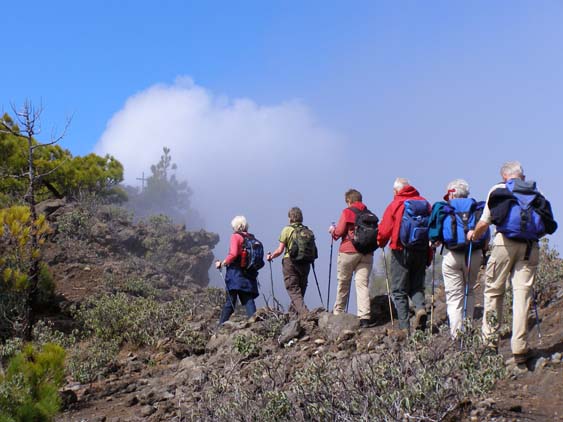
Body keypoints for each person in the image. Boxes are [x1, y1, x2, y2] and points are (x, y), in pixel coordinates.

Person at [467, 161, 557, 364]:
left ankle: (490, 344)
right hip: (530, 246)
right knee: (522, 296)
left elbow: (485, 221)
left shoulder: (498, 190)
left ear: (504, 176)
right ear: (522, 176)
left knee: (493, 292)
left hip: (504, 245)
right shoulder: (535, 191)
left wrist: (474, 234)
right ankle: (520, 348)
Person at [428, 179, 488, 338]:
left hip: (452, 255)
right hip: (473, 254)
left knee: (454, 296)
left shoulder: (445, 208)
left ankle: (457, 334)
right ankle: (468, 330)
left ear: (451, 193)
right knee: (469, 291)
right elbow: (485, 234)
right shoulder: (476, 207)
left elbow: (435, 236)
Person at [377, 178, 431, 333]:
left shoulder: (395, 204)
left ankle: (404, 328)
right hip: (421, 250)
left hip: (401, 250)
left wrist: (380, 242)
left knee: (399, 290)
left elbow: (385, 230)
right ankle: (420, 308)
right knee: (416, 286)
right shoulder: (424, 203)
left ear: (396, 191)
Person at [329, 189, 376, 328]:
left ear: (349, 201)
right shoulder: (370, 214)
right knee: (362, 284)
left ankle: (338, 313)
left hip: (349, 251)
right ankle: (365, 317)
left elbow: (338, 233)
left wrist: (332, 230)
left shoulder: (347, 212)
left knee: (344, 283)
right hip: (367, 253)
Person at [267, 207, 316, 316]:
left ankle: (305, 314)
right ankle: (293, 316)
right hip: (306, 263)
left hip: (290, 262)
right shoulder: (308, 230)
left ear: (290, 218)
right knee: (300, 290)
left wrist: (271, 256)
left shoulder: (287, 230)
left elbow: (280, 250)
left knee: (293, 290)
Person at [215, 215, 259, 325]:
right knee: (248, 300)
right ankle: (255, 326)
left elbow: (234, 254)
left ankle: (219, 328)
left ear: (238, 226)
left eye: (233, 227)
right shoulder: (252, 238)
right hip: (249, 275)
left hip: (235, 274)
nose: (233, 229)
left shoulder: (236, 237)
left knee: (230, 302)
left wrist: (223, 263)